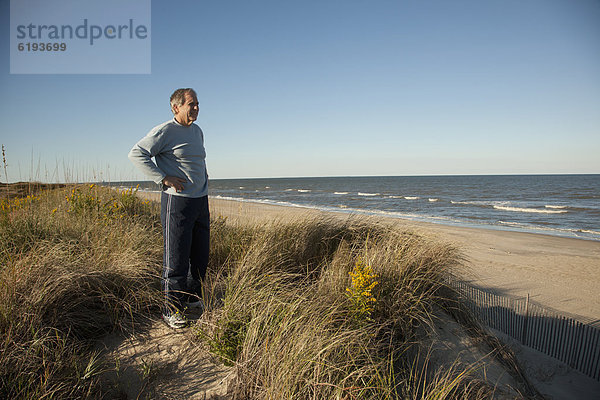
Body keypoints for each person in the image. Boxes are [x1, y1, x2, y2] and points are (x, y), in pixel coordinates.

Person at [128, 88, 210, 329]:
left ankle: (191, 301)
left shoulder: (197, 131)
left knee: (200, 257)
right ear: (176, 107)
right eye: (191, 104)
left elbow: (197, 161)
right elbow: (137, 153)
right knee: (176, 258)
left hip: (200, 201)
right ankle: (170, 309)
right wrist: (163, 178)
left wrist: (204, 182)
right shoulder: (164, 131)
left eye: (197, 104)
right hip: (178, 201)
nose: (196, 108)